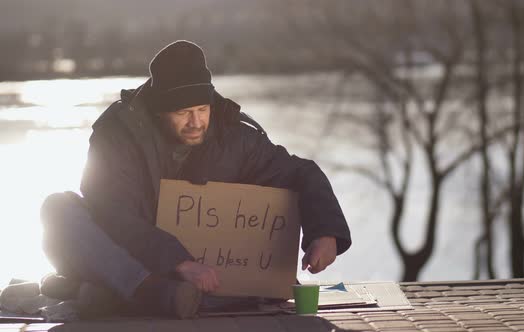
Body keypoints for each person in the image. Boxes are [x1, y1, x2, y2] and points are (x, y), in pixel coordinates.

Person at [40, 40, 351, 319]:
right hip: (136, 257)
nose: (196, 122)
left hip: (205, 275)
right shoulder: (117, 134)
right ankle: (146, 291)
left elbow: (300, 172)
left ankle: (106, 293)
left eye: (203, 109)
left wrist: (325, 232)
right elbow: (113, 214)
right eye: (183, 112)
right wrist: (177, 262)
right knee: (58, 209)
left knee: (99, 283)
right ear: (160, 110)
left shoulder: (234, 135)